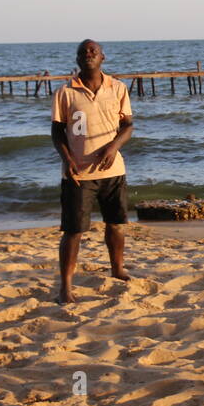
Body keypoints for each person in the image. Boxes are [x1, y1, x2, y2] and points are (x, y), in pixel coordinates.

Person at [51, 39, 134, 303]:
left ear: (102, 57)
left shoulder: (118, 88)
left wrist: (113, 147)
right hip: (78, 173)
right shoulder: (65, 92)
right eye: (83, 52)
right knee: (73, 231)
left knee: (116, 224)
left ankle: (117, 268)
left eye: (93, 51)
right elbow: (57, 131)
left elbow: (128, 126)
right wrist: (66, 159)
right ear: (77, 60)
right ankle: (65, 286)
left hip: (113, 170)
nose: (88, 54)